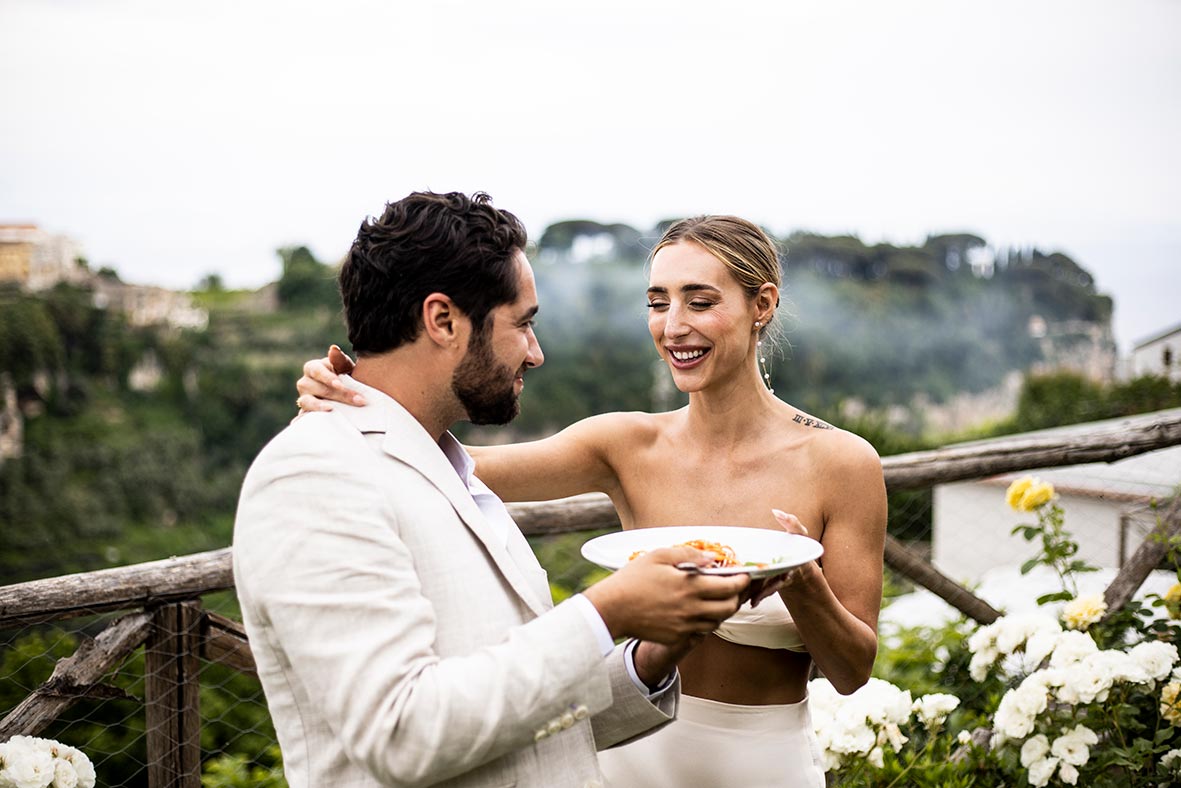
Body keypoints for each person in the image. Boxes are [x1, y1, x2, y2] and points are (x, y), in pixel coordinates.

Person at [299, 214, 888, 787]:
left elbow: (851, 672)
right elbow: (452, 467)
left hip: (764, 762)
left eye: (700, 302)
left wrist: (804, 584)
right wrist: (356, 398)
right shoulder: (624, 445)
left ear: (762, 305)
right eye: (658, 303)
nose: (674, 325)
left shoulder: (842, 463)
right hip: (628, 750)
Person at [234, 192, 759, 788]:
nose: (535, 353)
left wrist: (654, 653)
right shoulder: (315, 475)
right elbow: (402, 734)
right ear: (443, 320)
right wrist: (604, 612)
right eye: (523, 323)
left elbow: (524, 715)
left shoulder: (447, 467)